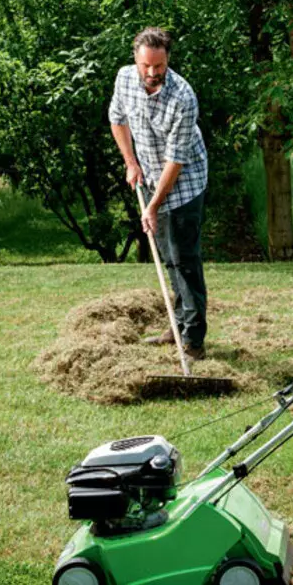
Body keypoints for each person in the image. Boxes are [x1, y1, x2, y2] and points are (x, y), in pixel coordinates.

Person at [108, 27, 208, 359]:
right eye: (146, 66)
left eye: (159, 67)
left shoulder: (183, 97)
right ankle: (177, 327)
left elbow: (175, 161)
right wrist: (130, 162)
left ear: (168, 60)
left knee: (184, 260)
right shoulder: (124, 78)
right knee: (168, 258)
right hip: (150, 177)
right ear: (136, 60)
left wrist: (151, 206)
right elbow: (117, 119)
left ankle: (193, 341)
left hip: (184, 183)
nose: (152, 73)